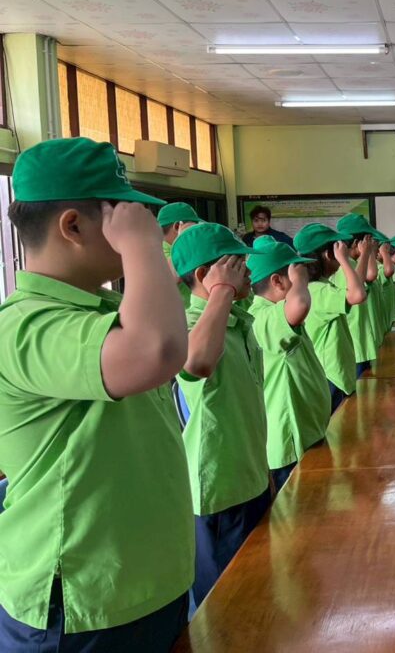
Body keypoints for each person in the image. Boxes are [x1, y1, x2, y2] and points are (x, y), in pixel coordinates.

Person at [0, 137, 193, 651]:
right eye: (120, 214)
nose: (139, 224)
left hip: (144, 583)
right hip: (83, 602)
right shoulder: (24, 326)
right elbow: (157, 351)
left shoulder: (103, 315)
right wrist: (144, 246)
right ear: (73, 226)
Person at [172, 223, 270, 606]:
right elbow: (196, 362)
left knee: (257, 594)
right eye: (236, 264)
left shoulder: (238, 321)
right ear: (204, 275)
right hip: (220, 492)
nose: (248, 271)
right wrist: (223, 291)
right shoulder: (189, 326)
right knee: (225, 606)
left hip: (250, 477)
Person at [246, 237, 331, 492]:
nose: (303, 282)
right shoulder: (262, 317)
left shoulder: (274, 313)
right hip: (291, 439)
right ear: (277, 281)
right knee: (301, 510)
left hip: (307, 431)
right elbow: (299, 304)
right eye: (293, 276)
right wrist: (301, 279)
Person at [294, 224, 368, 411]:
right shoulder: (316, 290)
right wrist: (344, 260)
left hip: (333, 372)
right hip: (331, 374)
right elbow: (358, 294)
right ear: (329, 255)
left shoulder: (317, 286)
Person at [337, 214, 386, 374]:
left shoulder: (353, 264)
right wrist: (367, 252)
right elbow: (369, 276)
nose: (372, 244)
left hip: (361, 339)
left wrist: (366, 252)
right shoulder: (346, 267)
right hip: (354, 341)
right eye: (368, 240)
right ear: (357, 243)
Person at [157, 201, 203, 305]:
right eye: (193, 228)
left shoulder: (182, 249)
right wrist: (184, 238)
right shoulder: (155, 252)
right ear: (178, 226)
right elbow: (171, 278)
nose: (195, 233)